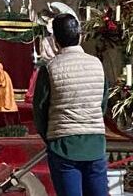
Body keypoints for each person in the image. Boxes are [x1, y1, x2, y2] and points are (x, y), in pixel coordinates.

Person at [32, 14, 108, 196]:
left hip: (63, 145)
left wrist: (50, 137)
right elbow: (102, 103)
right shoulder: (97, 64)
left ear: (55, 40)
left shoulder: (50, 68)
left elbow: (40, 110)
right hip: (95, 143)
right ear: (80, 36)